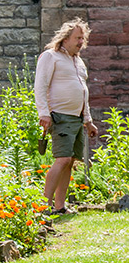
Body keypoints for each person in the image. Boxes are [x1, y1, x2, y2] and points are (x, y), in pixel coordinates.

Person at [34, 18, 97, 214]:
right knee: (62, 159)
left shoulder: (78, 61)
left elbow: (83, 91)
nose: (81, 42)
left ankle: (60, 207)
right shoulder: (50, 56)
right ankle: (44, 206)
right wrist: (43, 113)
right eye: (78, 38)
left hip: (76, 118)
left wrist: (88, 121)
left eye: (83, 38)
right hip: (59, 116)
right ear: (65, 38)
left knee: (69, 161)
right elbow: (40, 86)